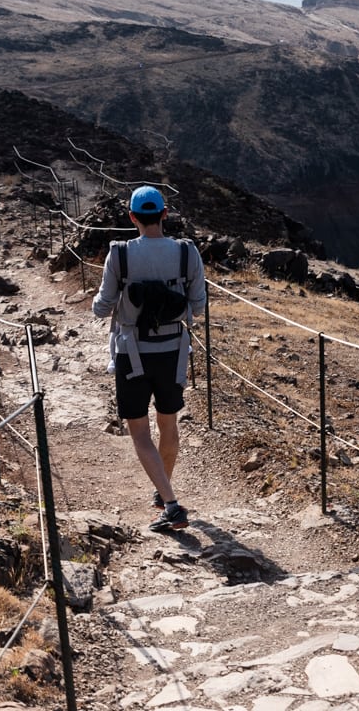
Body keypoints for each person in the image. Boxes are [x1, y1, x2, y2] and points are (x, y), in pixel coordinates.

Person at [92, 185, 207, 532]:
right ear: (164, 214)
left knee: (139, 431)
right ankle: (163, 489)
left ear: (132, 217)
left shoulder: (120, 255)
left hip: (133, 353)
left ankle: (171, 505)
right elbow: (198, 305)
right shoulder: (187, 253)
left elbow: (101, 306)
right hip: (173, 351)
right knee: (168, 424)